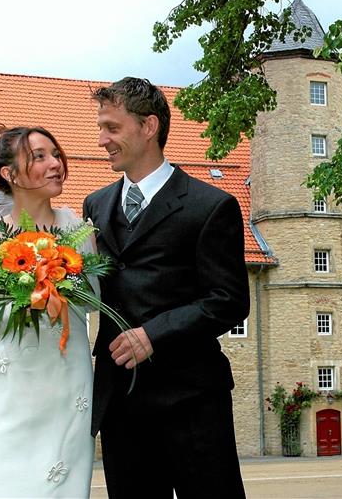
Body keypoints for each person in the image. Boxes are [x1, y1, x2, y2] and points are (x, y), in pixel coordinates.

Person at [83, 77, 250, 498]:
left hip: (192, 400)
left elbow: (229, 301)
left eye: (112, 128)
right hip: (119, 402)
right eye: (101, 127)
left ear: (149, 126)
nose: (102, 139)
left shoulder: (210, 206)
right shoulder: (95, 205)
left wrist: (152, 335)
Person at [0, 124, 96, 497]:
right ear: (9, 173)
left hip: (69, 385)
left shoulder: (81, 230)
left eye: (55, 154)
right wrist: (27, 299)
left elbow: (95, 300)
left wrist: (63, 283)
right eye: (39, 157)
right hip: (10, 391)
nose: (55, 164)